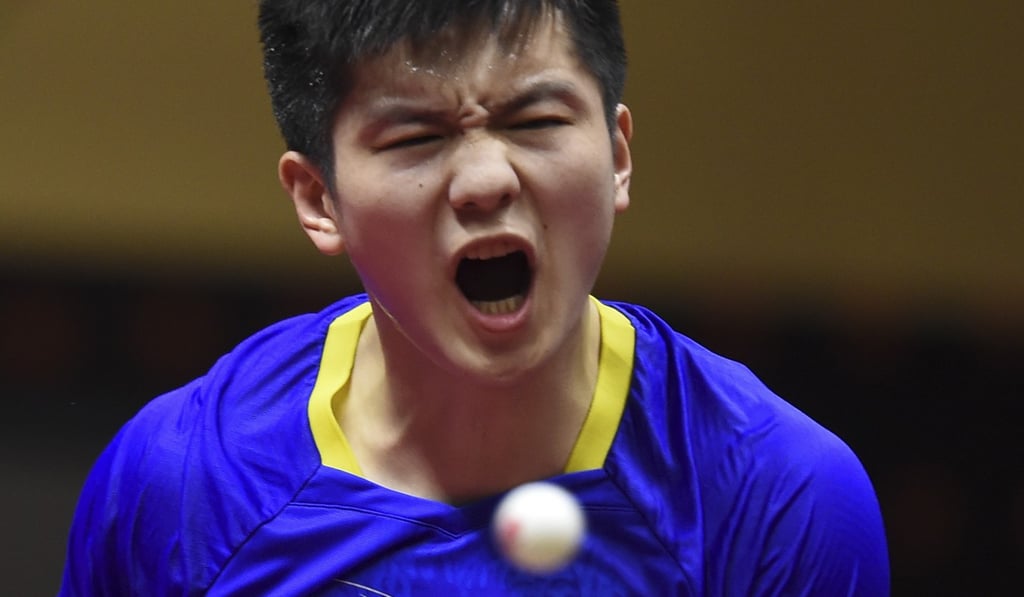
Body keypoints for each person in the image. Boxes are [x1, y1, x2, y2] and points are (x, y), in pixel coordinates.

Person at [61, 1, 889, 594]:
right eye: (417, 137)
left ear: (618, 155)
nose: (488, 180)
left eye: (536, 122)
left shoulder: (777, 499)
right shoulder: (181, 488)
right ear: (318, 199)